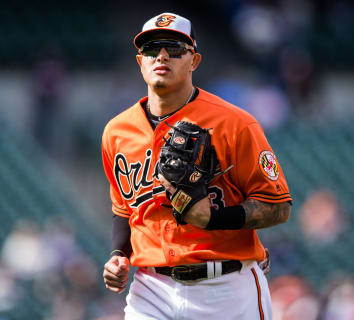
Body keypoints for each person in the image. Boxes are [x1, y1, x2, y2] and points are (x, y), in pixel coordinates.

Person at [101, 12, 292, 320]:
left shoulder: (235, 123)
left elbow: (278, 206)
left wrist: (214, 219)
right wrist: (117, 256)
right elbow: (123, 209)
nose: (162, 55)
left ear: (194, 60)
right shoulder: (116, 131)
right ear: (140, 62)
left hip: (226, 287)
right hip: (151, 289)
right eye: (151, 48)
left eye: (174, 48)